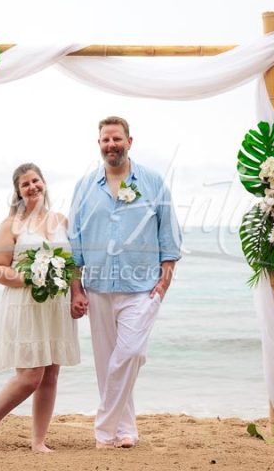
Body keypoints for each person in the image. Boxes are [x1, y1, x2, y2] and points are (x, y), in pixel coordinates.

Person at [68, 116, 182, 449]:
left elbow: (169, 234)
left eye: (116, 139)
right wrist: (76, 289)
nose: (111, 145)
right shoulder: (84, 187)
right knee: (107, 364)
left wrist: (165, 282)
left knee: (130, 354)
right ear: (99, 144)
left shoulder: (153, 182)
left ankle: (103, 429)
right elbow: (74, 241)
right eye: (105, 140)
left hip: (142, 287)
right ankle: (125, 429)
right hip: (99, 287)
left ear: (129, 142)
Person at [0, 163, 80, 452]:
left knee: (51, 374)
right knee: (30, 376)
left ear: (44, 183)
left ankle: (38, 440)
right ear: (18, 192)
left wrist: (77, 293)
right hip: (25, 305)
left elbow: (74, 264)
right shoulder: (12, 224)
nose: (32, 187)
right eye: (25, 184)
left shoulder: (62, 221)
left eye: (36, 181)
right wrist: (29, 276)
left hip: (56, 305)